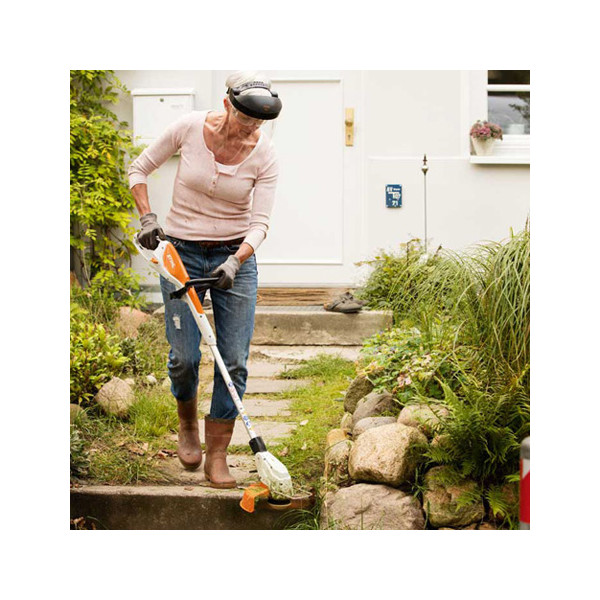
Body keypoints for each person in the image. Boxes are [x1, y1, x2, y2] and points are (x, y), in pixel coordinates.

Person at [128, 71, 281, 488]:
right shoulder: (189, 128)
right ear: (228, 104)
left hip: (234, 258)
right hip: (181, 254)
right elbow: (139, 169)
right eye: (246, 118)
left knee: (233, 360)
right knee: (184, 357)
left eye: (259, 123)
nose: (251, 129)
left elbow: (260, 223)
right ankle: (188, 426)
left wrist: (236, 260)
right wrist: (147, 218)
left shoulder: (264, 155)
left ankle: (218, 454)